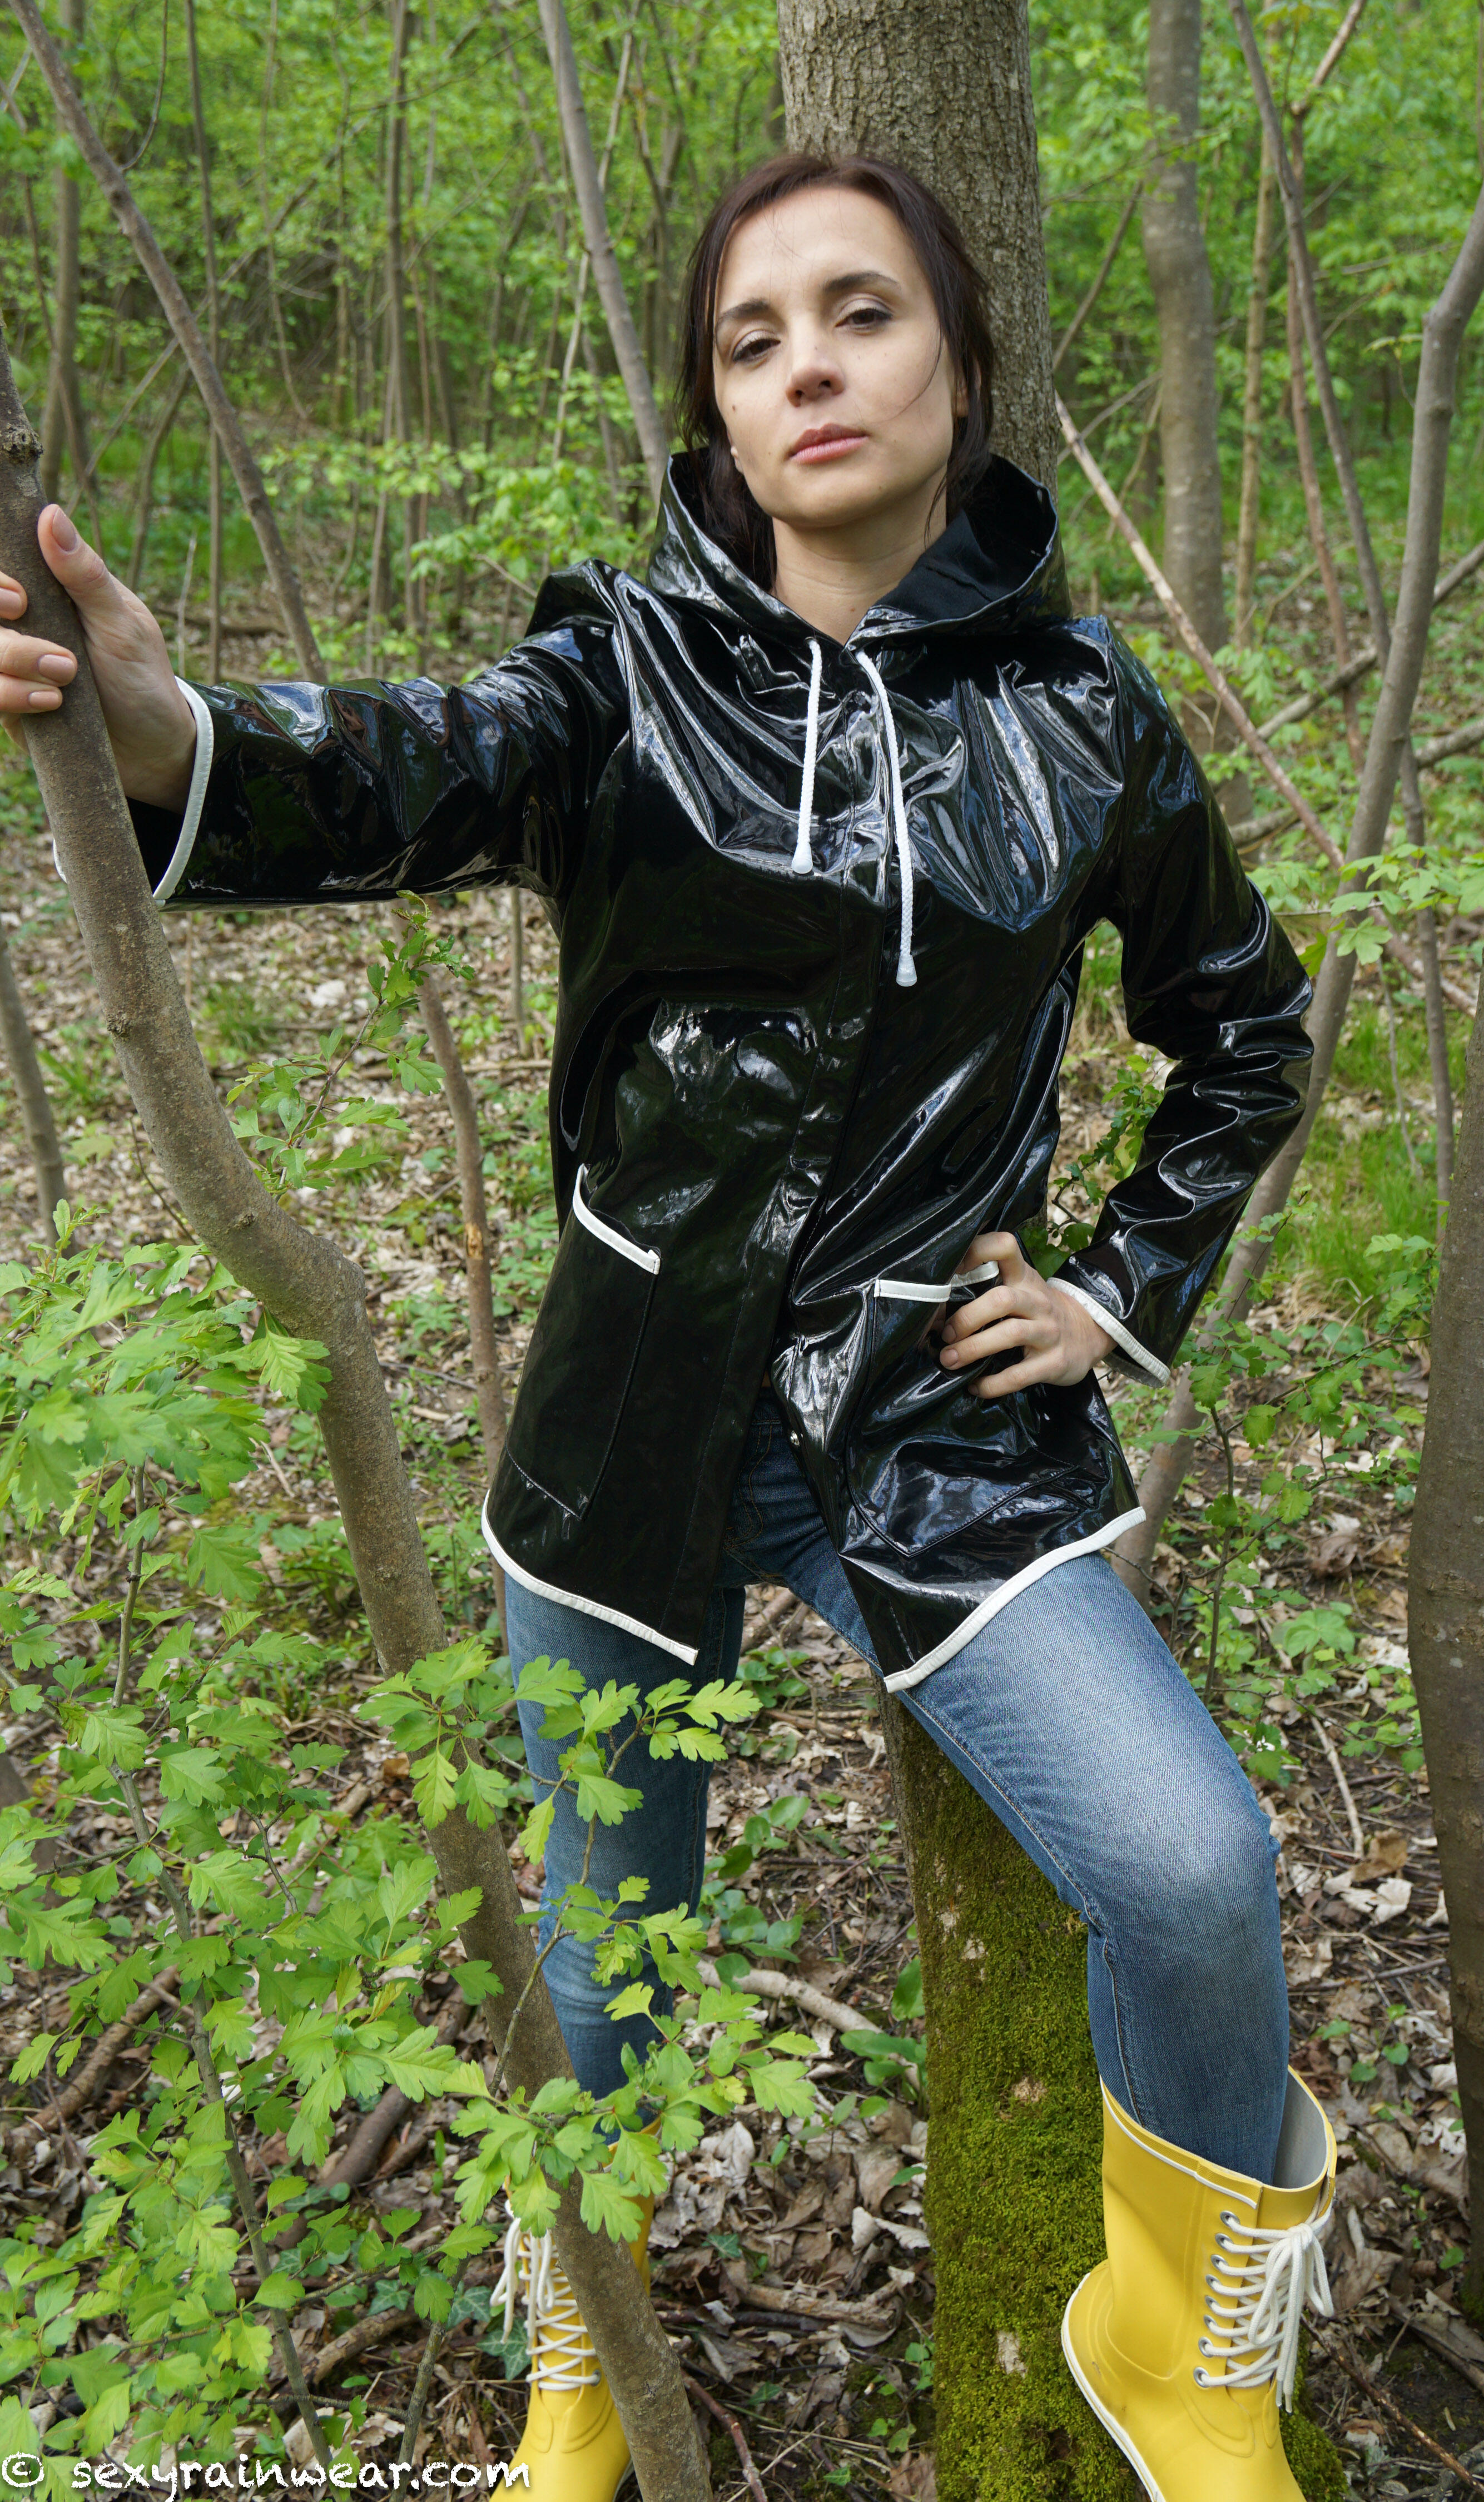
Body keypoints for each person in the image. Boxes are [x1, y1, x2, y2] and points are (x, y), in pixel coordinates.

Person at [1, 152, 1336, 2502]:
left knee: (1194, 1868)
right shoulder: (622, 668)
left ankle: (1179, 2344)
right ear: (714, 409)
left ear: (963, 368)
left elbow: (1245, 1028)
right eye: (752, 336)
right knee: (608, 1955)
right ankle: (584, 2368)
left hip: (931, 1424)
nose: (809, 364)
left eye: (862, 312)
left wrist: (1119, 1289)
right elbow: (407, 767)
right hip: (627, 1414)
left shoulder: (1087, 716)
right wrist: (163, 724)